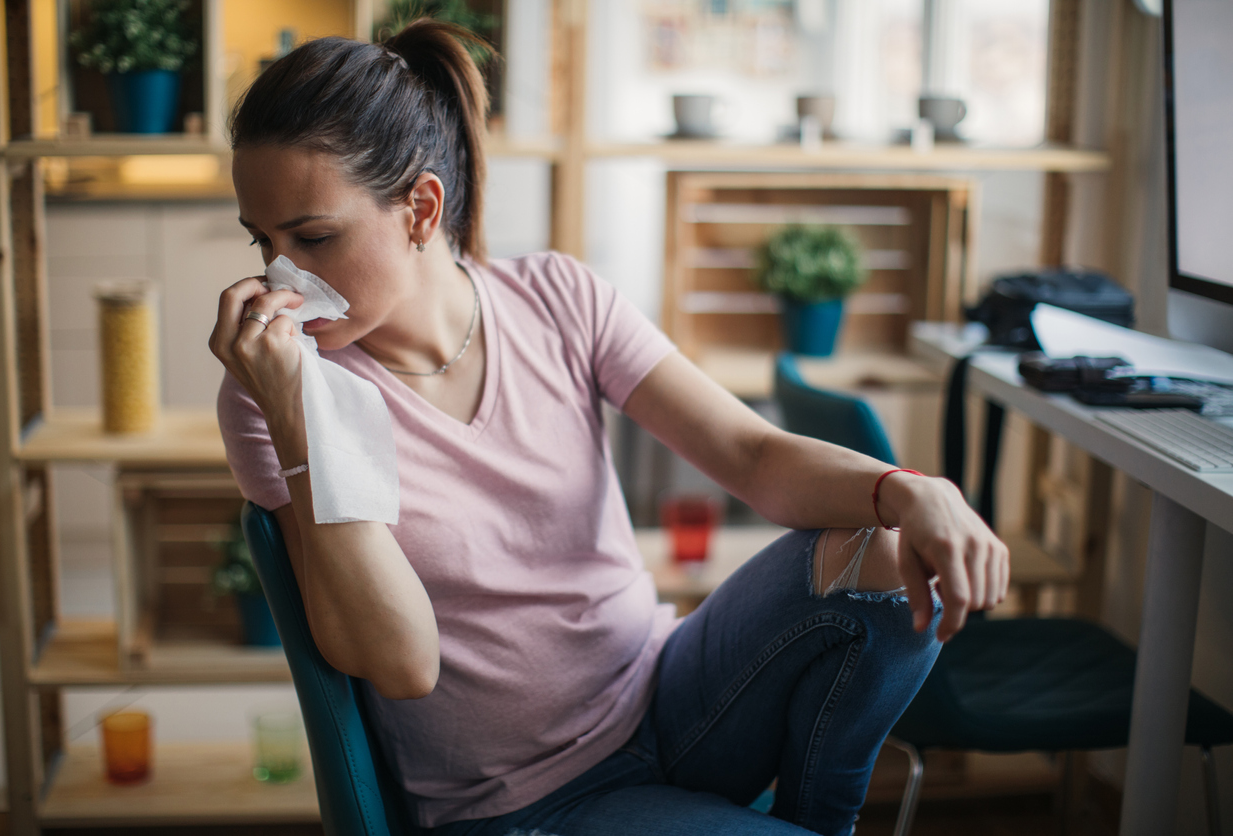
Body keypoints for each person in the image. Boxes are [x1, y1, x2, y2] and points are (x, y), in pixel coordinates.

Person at [211, 21, 1008, 836]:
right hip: (527, 804)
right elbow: (403, 664)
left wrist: (912, 492)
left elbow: (751, 453)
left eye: (311, 238)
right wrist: (299, 417)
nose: (281, 279)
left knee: (888, 550)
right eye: (262, 242)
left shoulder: (555, 296)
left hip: (669, 694)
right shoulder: (275, 394)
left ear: (420, 207)